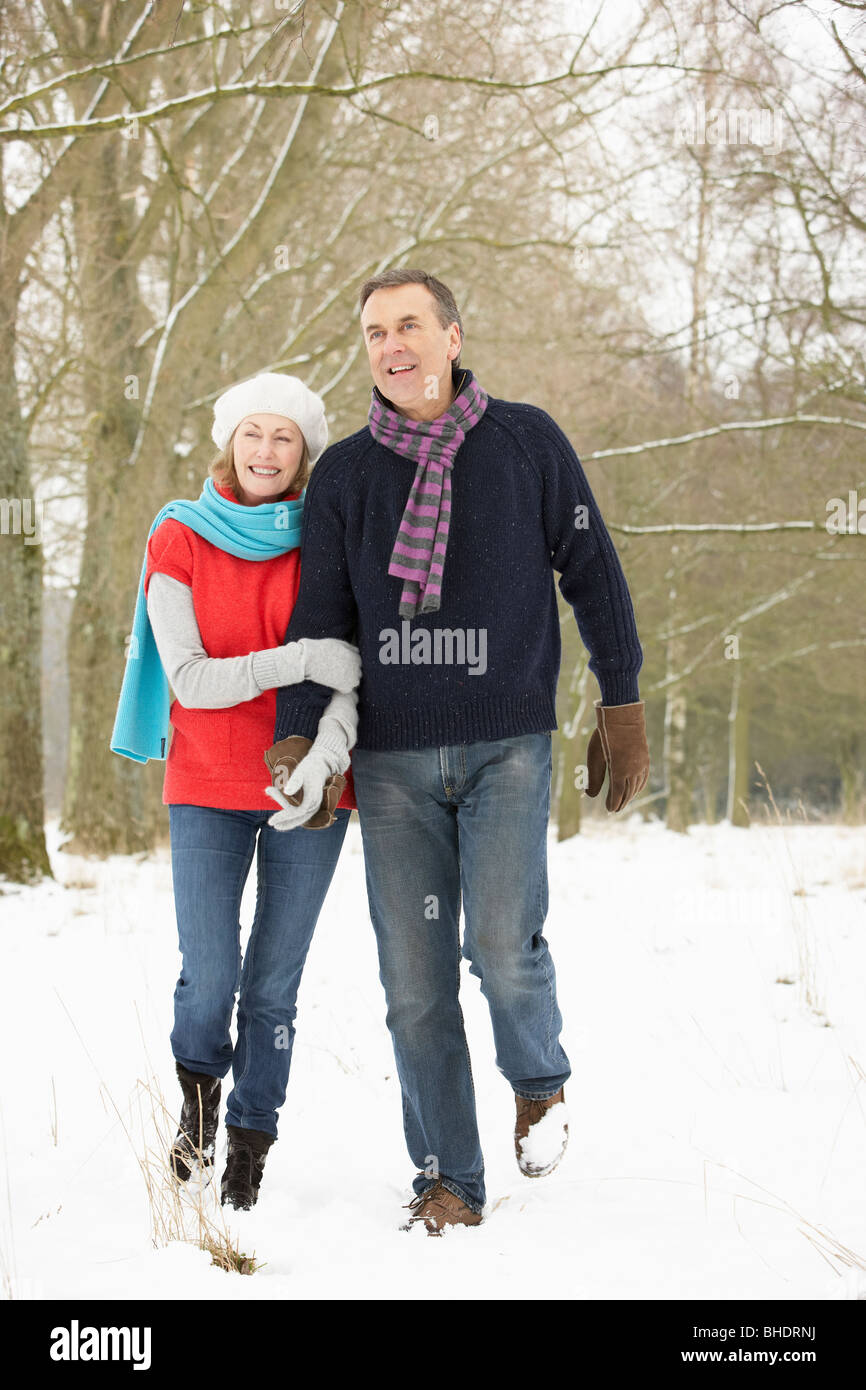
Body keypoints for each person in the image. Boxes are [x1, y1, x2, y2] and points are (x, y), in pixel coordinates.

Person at [263, 270, 650, 1234]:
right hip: (391, 764)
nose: (390, 345)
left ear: (451, 335)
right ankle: (447, 1179)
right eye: (372, 332)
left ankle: (538, 1078)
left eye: (407, 325)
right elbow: (322, 617)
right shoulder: (347, 476)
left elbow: (592, 566)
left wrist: (622, 697)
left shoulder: (526, 442)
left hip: (508, 744)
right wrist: (302, 733)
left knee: (501, 950)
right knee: (415, 985)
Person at [111, 373, 361, 1210]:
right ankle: (196, 1111)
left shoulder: (328, 533)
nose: (266, 451)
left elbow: (352, 671)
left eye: (284, 437)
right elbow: (187, 678)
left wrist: (324, 760)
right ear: (229, 442)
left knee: (274, 984)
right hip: (209, 779)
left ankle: (252, 1144)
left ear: (304, 453)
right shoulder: (178, 537)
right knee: (209, 975)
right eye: (252, 434)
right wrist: (294, 662)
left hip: (314, 782)